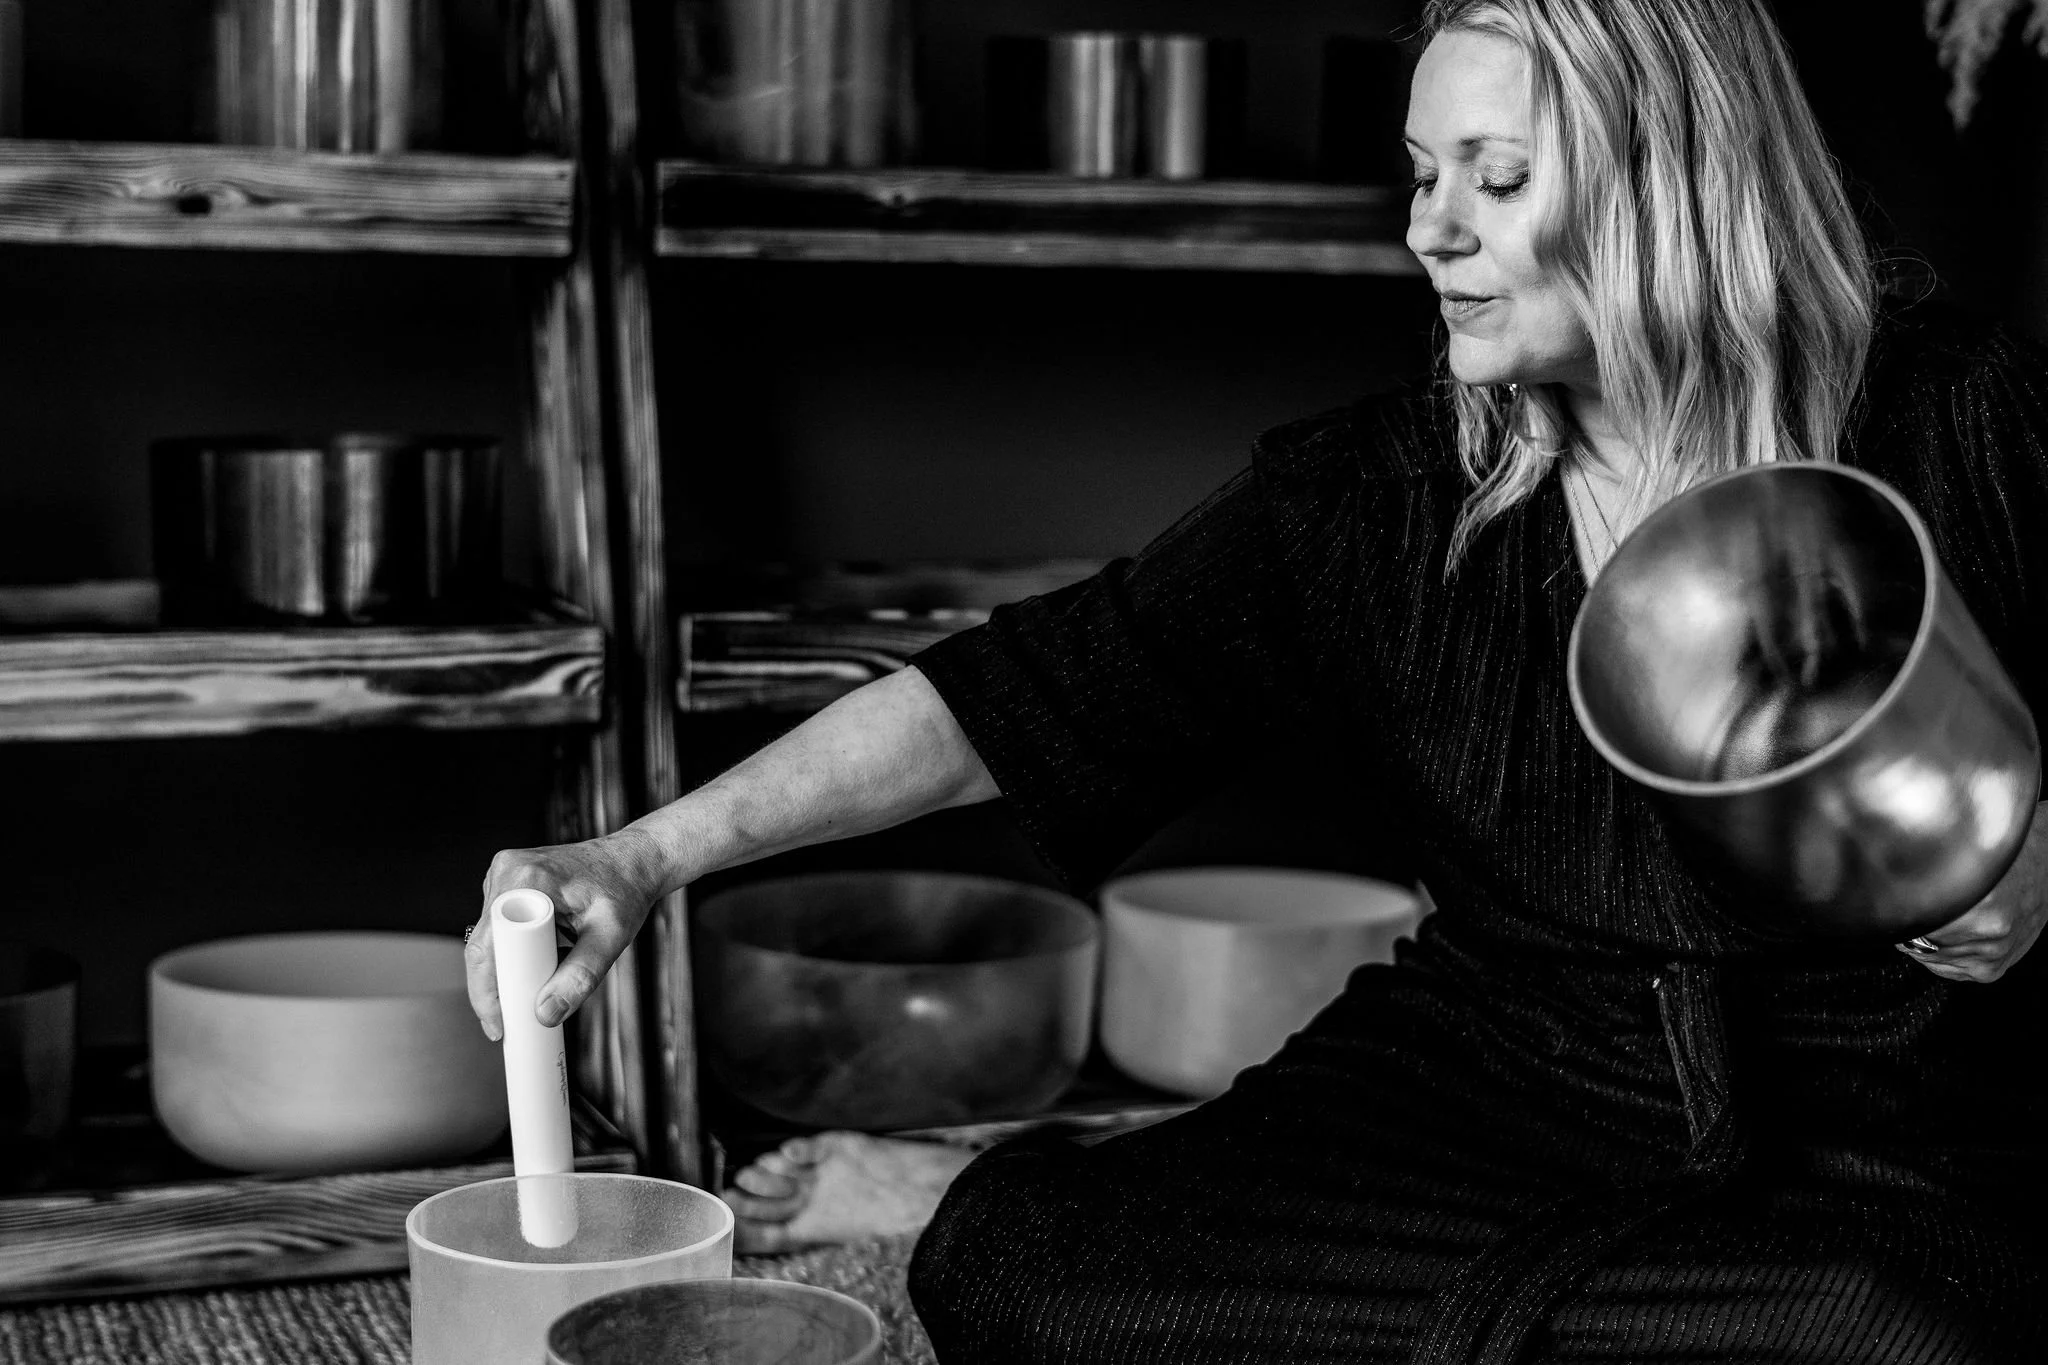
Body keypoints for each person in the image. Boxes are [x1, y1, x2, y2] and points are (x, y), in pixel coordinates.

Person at [467, 0, 2048, 1358]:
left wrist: (2040, 868)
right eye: (1425, 175)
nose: (1430, 230)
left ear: (1682, 181)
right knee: (1030, 1275)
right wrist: (644, 854)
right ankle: (986, 1198)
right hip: (1474, 1094)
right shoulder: (1371, 497)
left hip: (1866, 1132)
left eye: (1498, 179)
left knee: (1903, 1332)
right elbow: (1022, 692)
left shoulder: (1962, 418)